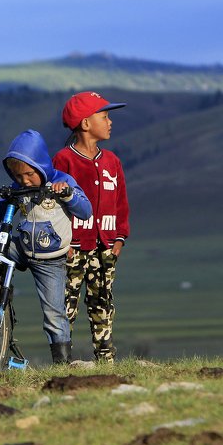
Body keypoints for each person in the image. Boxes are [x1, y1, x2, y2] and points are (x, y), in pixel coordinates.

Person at [0, 129, 92, 365]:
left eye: (29, 174)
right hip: (23, 248)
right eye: (18, 176)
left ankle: (62, 362)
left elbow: (85, 211)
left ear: (41, 165)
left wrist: (68, 195)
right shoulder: (17, 188)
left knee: (54, 314)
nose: (24, 181)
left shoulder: (62, 181)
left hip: (51, 259)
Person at [53, 91, 130, 363]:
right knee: (66, 305)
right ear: (86, 123)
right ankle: (63, 361)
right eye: (104, 116)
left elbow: (120, 201)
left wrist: (119, 238)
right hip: (73, 248)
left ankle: (106, 359)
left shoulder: (112, 161)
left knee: (103, 301)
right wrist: (64, 243)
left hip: (105, 246)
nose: (110, 122)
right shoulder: (64, 160)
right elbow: (55, 206)